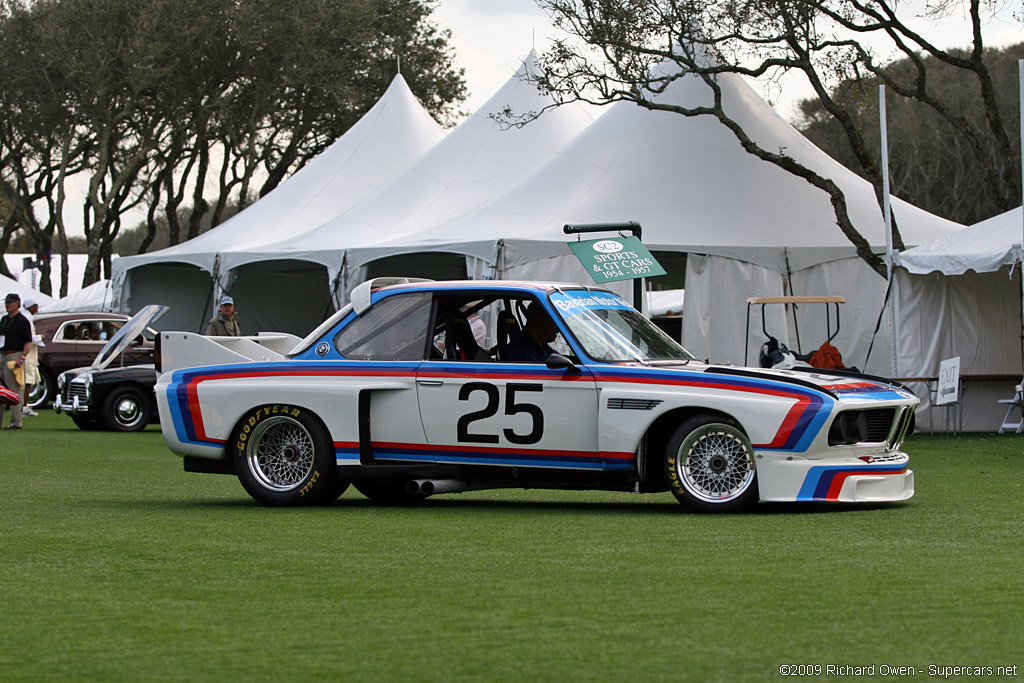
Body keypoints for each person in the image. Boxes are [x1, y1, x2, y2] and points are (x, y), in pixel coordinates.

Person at [1, 292, 33, 429]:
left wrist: (22, 357)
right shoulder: (4, 319)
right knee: (1, 391)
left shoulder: (22, 321)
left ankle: (16, 422)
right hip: (2, 354)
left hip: (15, 356)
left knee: (13, 390)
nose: (7, 305)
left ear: (18, 304)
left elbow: (28, 342)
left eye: (10, 302)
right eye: (6, 302)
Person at [20, 297, 40, 417]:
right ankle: (23, 407)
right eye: (36, 305)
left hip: (30, 355)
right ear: (31, 306)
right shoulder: (26, 318)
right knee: (27, 382)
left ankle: (24, 406)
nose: (37, 307)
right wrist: (40, 338)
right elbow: (28, 338)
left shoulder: (28, 318)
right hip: (27, 355)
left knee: (27, 382)